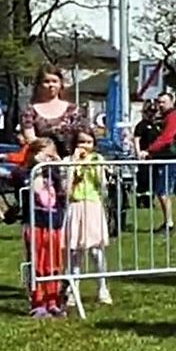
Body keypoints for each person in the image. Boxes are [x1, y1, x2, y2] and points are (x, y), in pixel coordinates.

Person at [64, 128, 112, 305]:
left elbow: (101, 184)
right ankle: (73, 289)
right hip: (75, 206)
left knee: (96, 251)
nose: (85, 146)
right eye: (81, 142)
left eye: (89, 142)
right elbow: (67, 190)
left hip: (92, 205)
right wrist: (74, 164)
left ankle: (102, 287)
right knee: (75, 252)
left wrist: (94, 167)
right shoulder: (68, 161)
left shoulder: (97, 159)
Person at [21, 138, 66, 318]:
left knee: (53, 264)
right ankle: (37, 301)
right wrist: (37, 168)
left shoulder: (54, 175)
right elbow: (34, 188)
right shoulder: (26, 173)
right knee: (38, 264)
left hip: (54, 223)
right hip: (35, 223)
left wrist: (60, 167)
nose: (49, 158)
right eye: (46, 154)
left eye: (51, 154)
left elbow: (65, 191)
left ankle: (53, 300)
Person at [139, 92, 176, 233]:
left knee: (162, 191)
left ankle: (169, 222)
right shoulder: (173, 117)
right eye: (159, 102)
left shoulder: (172, 118)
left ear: (171, 102)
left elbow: (166, 138)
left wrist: (149, 150)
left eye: (163, 102)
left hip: (171, 158)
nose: (160, 105)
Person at [20, 63, 88, 158]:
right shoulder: (30, 111)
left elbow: (85, 135)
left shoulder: (74, 110)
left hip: (71, 162)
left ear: (60, 84)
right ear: (39, 85)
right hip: (43, 162)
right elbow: (30, 138)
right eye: (46, 81)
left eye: (54, 81)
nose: (51, 85)